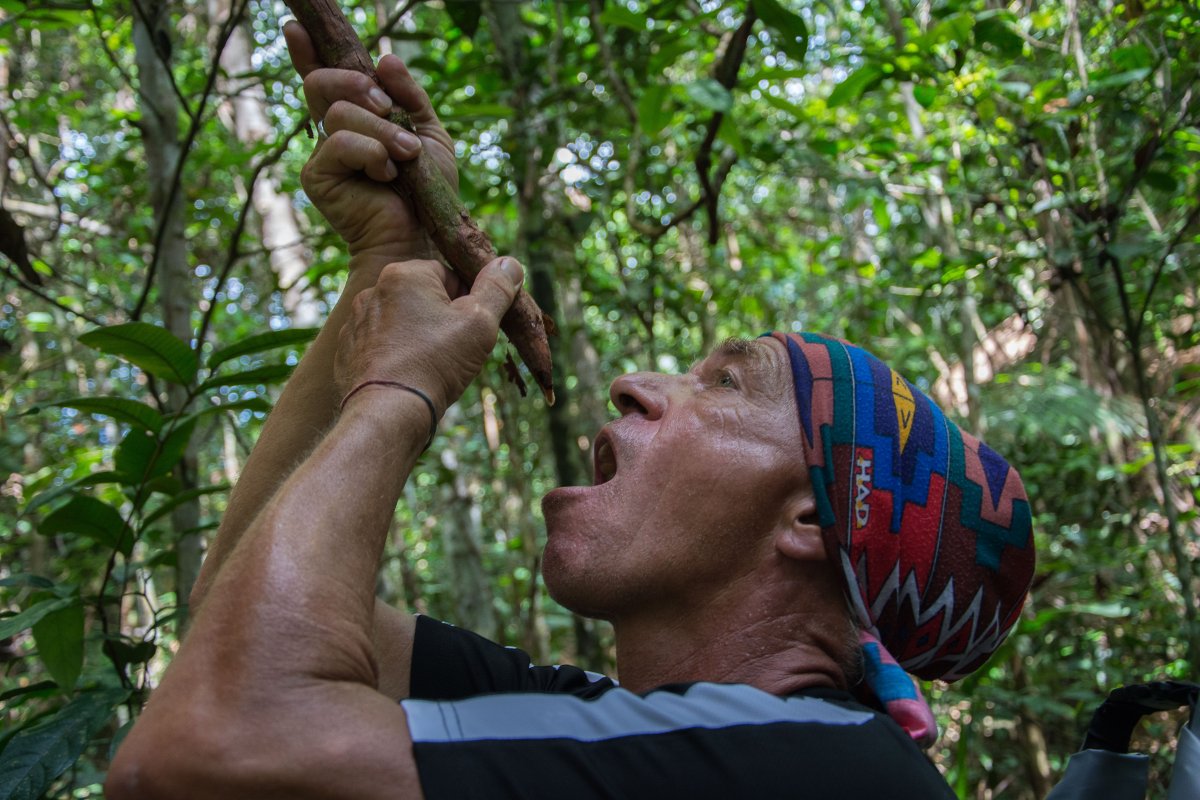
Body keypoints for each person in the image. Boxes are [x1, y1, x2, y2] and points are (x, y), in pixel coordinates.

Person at [106, 21, 1035, 800]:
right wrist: (381, 265)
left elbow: (202, 750)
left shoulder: (828, 767)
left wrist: (398, 391)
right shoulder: (625, 727)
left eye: (725, 385)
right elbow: (239, 609)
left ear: (809, 517)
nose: (635, 384)